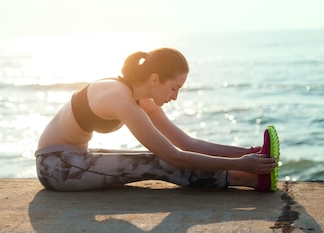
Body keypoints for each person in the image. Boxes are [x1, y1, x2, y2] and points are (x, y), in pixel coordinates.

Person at [35, 48, 280, 192]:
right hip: (55, 167)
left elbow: (187, 143)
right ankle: (244, 178)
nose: (175, 97)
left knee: (155, 158)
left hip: (76, 157)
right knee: (159, 162)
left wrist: (246, 154)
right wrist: (242, 166)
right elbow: (173, 156)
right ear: (154, 79)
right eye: (174, 88)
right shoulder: (119, 98)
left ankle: (249, 171)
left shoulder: (141, 99)